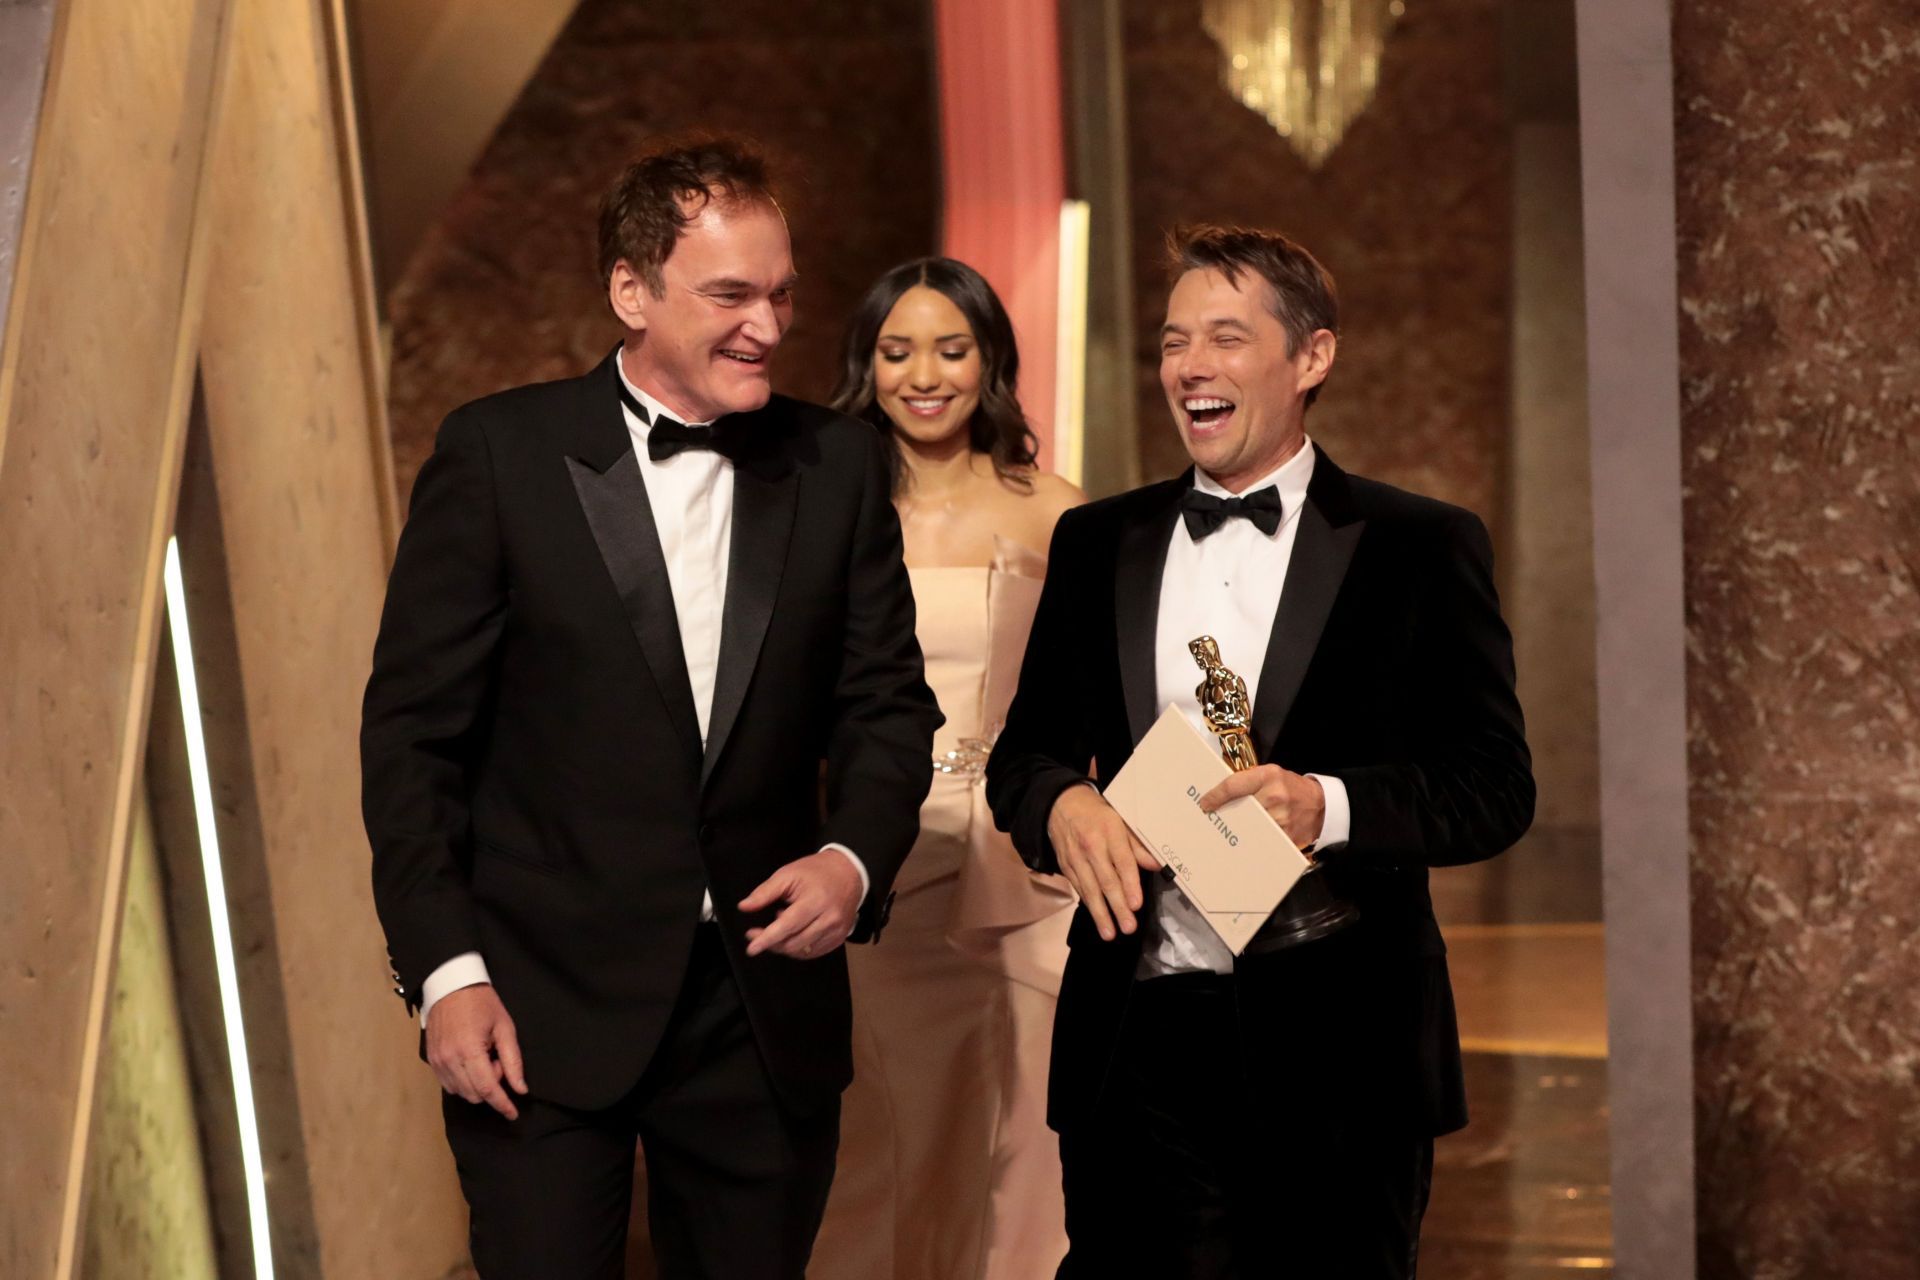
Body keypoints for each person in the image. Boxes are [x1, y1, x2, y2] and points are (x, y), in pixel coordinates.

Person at [360, 136, 942, 1279]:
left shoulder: (838, 464)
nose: (769, 326)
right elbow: (413, 738)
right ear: (630, 290)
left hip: (762, 1010)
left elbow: (886, 704)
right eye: (730, 293)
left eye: (782, 292)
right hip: (531, 1005)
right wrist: (445, 971)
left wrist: (853, 859)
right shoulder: (496, 453)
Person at [985, 224, 1535, 1278]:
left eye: (1226, 338)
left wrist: (1323, 806)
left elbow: (1495, 788)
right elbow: (1028, 755)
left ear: (1311, 358)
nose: (1189, 365)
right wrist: (1061, 802)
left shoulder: (1423, 543)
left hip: (1345, 1051)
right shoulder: (1101, 541)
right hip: (1134, 1037)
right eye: (1173, 339)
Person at [809, 258, 1083, 1279]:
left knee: (1026, 1155)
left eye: (952, 347)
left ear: (991, 363)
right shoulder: (822, 506)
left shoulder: (1055, 509)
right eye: (896, 349)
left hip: (1025, 875)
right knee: (884, 1145)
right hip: (874, 865)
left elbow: (1114, 696)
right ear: (865, 365)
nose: (924, 373)